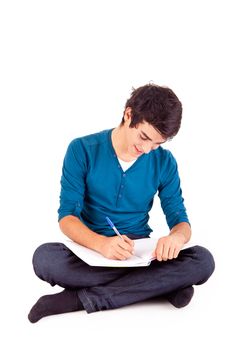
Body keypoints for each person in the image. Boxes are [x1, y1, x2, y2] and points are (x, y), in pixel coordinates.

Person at [28, 83, 215, 323]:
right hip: (92, 252)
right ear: (128, 115)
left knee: (203, 259)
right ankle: (161, 286)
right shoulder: (82, 150)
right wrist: (102, 244)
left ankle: (78, 300)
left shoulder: (165, 162)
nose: (147, 149)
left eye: (157, 144)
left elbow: (180, 219)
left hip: (141, 254)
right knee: (45, 258)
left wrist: (176, 238)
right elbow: (67, 217)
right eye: (144, 137)